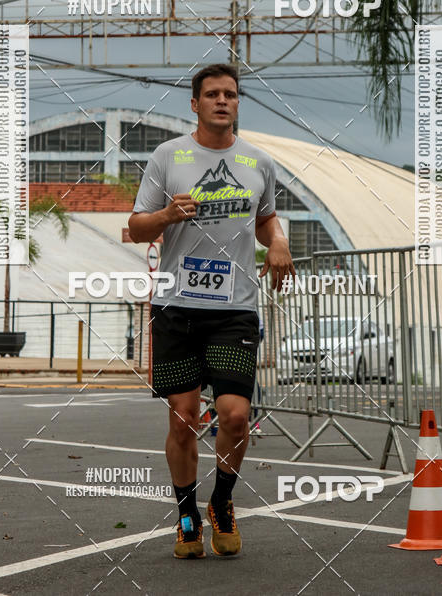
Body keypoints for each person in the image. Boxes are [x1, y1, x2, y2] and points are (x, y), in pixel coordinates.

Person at [128, 63, 294, 559]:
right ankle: (186, 516)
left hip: (235, 310)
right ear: (195, 103)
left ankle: (221, 500)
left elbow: (266, 220)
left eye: (231, 94)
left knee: (234, 415)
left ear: (237, 103)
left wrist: (279, 241)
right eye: (213, 94)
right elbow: (137, 227)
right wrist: (165, 215)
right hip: (177, 306)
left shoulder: (258, 162)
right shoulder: (168, 156)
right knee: (182, 419)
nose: (223, 101)